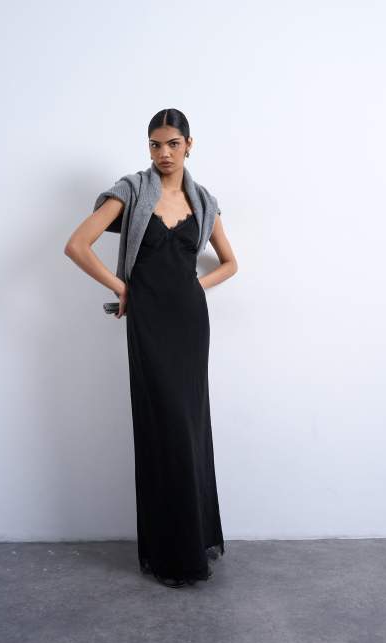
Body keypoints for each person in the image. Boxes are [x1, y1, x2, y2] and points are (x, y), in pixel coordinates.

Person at [65, 108, 238, 588]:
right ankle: (173, 552)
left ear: (189, 145)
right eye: (155, 144)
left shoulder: (204, 201)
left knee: (191, 427)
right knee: (163, 427)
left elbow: (230, 263)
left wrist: (195, 287)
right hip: (148, 322)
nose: (164, 153)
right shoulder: (130, 191)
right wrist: (122, 287)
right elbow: (77, 245)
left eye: (173, 144)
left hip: (190, 323)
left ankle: (196, 539)